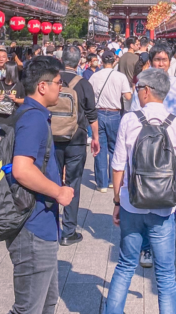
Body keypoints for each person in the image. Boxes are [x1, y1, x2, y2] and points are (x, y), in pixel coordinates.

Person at [105, 69, 176, 314]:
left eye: (138, 88)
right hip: (163, 207)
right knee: (166, 275)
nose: (136, 92)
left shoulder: (129, 120)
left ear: (147, 91)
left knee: (126, 265)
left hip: (131, 203)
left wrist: (117, 200)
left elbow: (117, 166)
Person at [7, 57, 75, 314]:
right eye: (58, 82)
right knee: (28, 308)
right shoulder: (33, 118)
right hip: (32, 225)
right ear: (43, 86)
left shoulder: (32, 114)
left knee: (46, 302)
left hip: (41, 223)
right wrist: (58, 191)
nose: (61, 87)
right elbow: (22, 169)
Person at [56, 48, 100, 245]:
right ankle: (68, 231)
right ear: (78, 62)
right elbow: (92, 114)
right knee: (73, 182)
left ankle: (49, 228)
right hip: (76, 138)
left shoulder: (52, 81)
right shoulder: (83, 84)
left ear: (62, 59)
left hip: (53, 137)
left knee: (51, 180)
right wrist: (96, 137)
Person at [89, 50, 133, 192]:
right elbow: (128, 97)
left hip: (99, 113)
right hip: (115, 114)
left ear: (101, 61)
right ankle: (112, 181)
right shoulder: (120, 77)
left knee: (99, 147)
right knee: (115, 148)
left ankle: (101, 184)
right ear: (114, 60)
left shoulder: (94, 77)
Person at [131, 44, 176, 124]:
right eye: (157, 60)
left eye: (164, 60)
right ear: (150, 62)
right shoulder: (142, 84)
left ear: (170, 62)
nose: (161, 64)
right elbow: (135, 110)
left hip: (174, 132)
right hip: (148, 132)